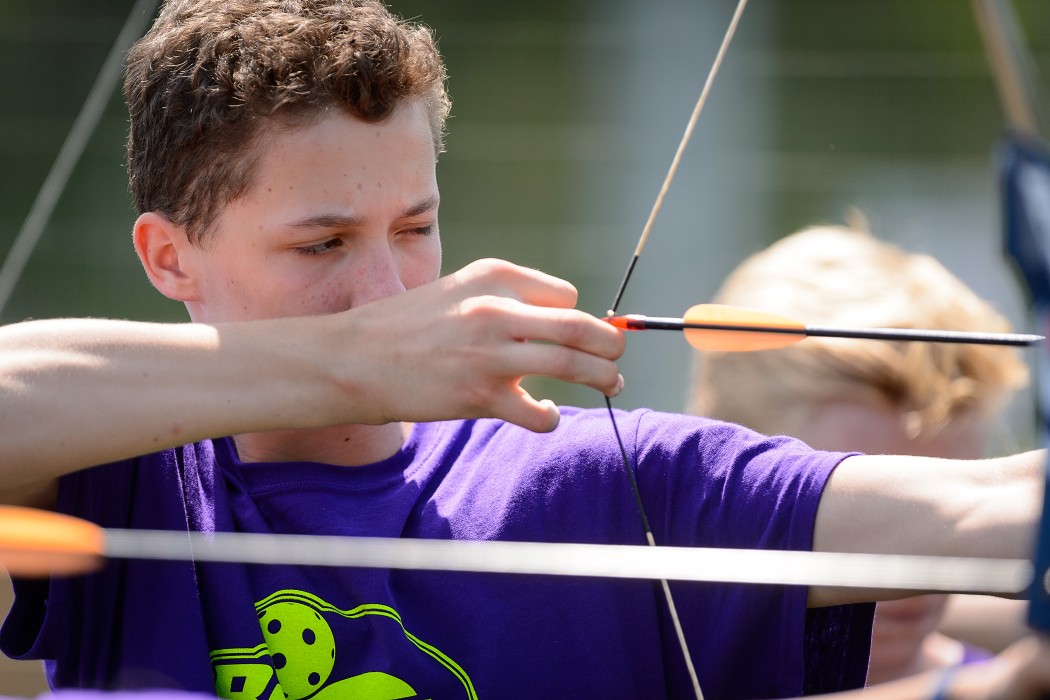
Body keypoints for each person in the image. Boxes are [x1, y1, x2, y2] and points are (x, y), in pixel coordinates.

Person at [0, 1, 1044, 699]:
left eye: (416, 228)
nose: (391, 290)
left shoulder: (613, 483)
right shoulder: (121, 478)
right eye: (322, 244)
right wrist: (358, 357)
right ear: (168, 258)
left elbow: (987, 516)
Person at [689, 223, 1034, 686]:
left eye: (954, 499)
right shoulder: (626, 661)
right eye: (868, 504)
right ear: (715, 478)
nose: (910, 587)